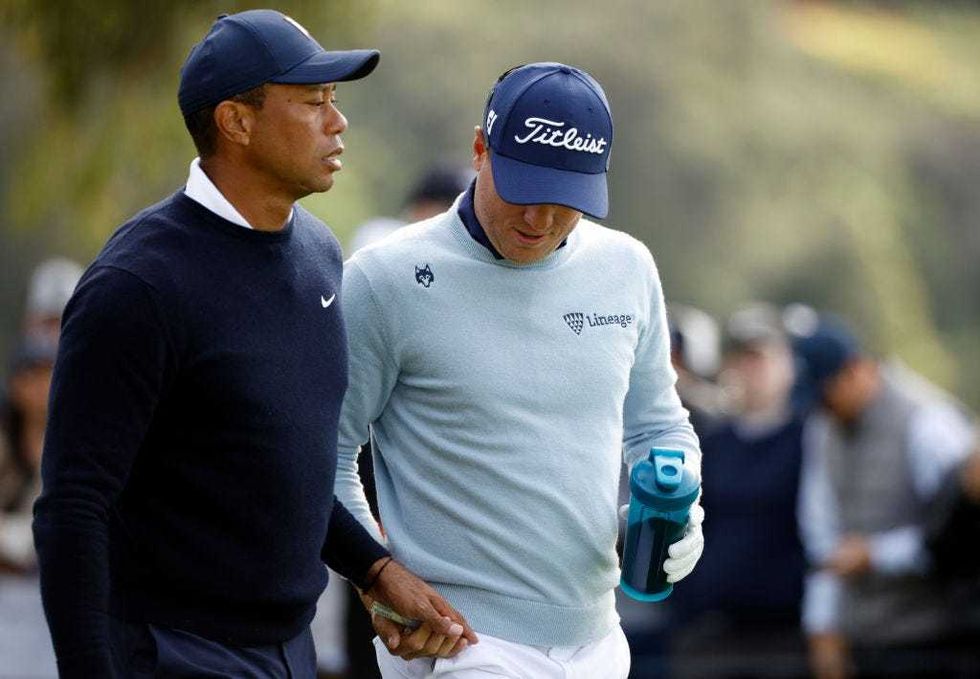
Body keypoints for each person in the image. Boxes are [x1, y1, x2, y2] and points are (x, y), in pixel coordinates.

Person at [32, 10, 473, 678]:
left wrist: (374, 569)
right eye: (313, 102)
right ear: (237, 122)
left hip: (290, 651)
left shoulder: (321, 255)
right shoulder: (140, 283)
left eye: (336, 101)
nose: (338, 121)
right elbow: (72, 507)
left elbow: (280, 464)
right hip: (170, 651)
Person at [335, 62, 704, 679]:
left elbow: (659, 428)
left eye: (565, 202)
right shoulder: (384, 279)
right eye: (522, 191)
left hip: (598, 638)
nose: (539, 221)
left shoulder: (629, 268)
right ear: (480, 149)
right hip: (458, 640)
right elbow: (327, 451)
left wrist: (682, 503)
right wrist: (376, 574)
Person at [796, 317, 975, 678]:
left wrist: (876, 555)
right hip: (863, 640)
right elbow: (822, 539)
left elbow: (957, 537)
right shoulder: (822, 428)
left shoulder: (927, 421)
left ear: (856, 370)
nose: (822, 407)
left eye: (826, 392)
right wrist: (823, 627)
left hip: (933, 639)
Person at [669, 304, 809, 678]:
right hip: (712, 631)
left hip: (783, 633)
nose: (751, 369)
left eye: (761, 358)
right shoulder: (712, 441)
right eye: (742, 358)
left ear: (788, 364)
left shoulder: (808, 440)